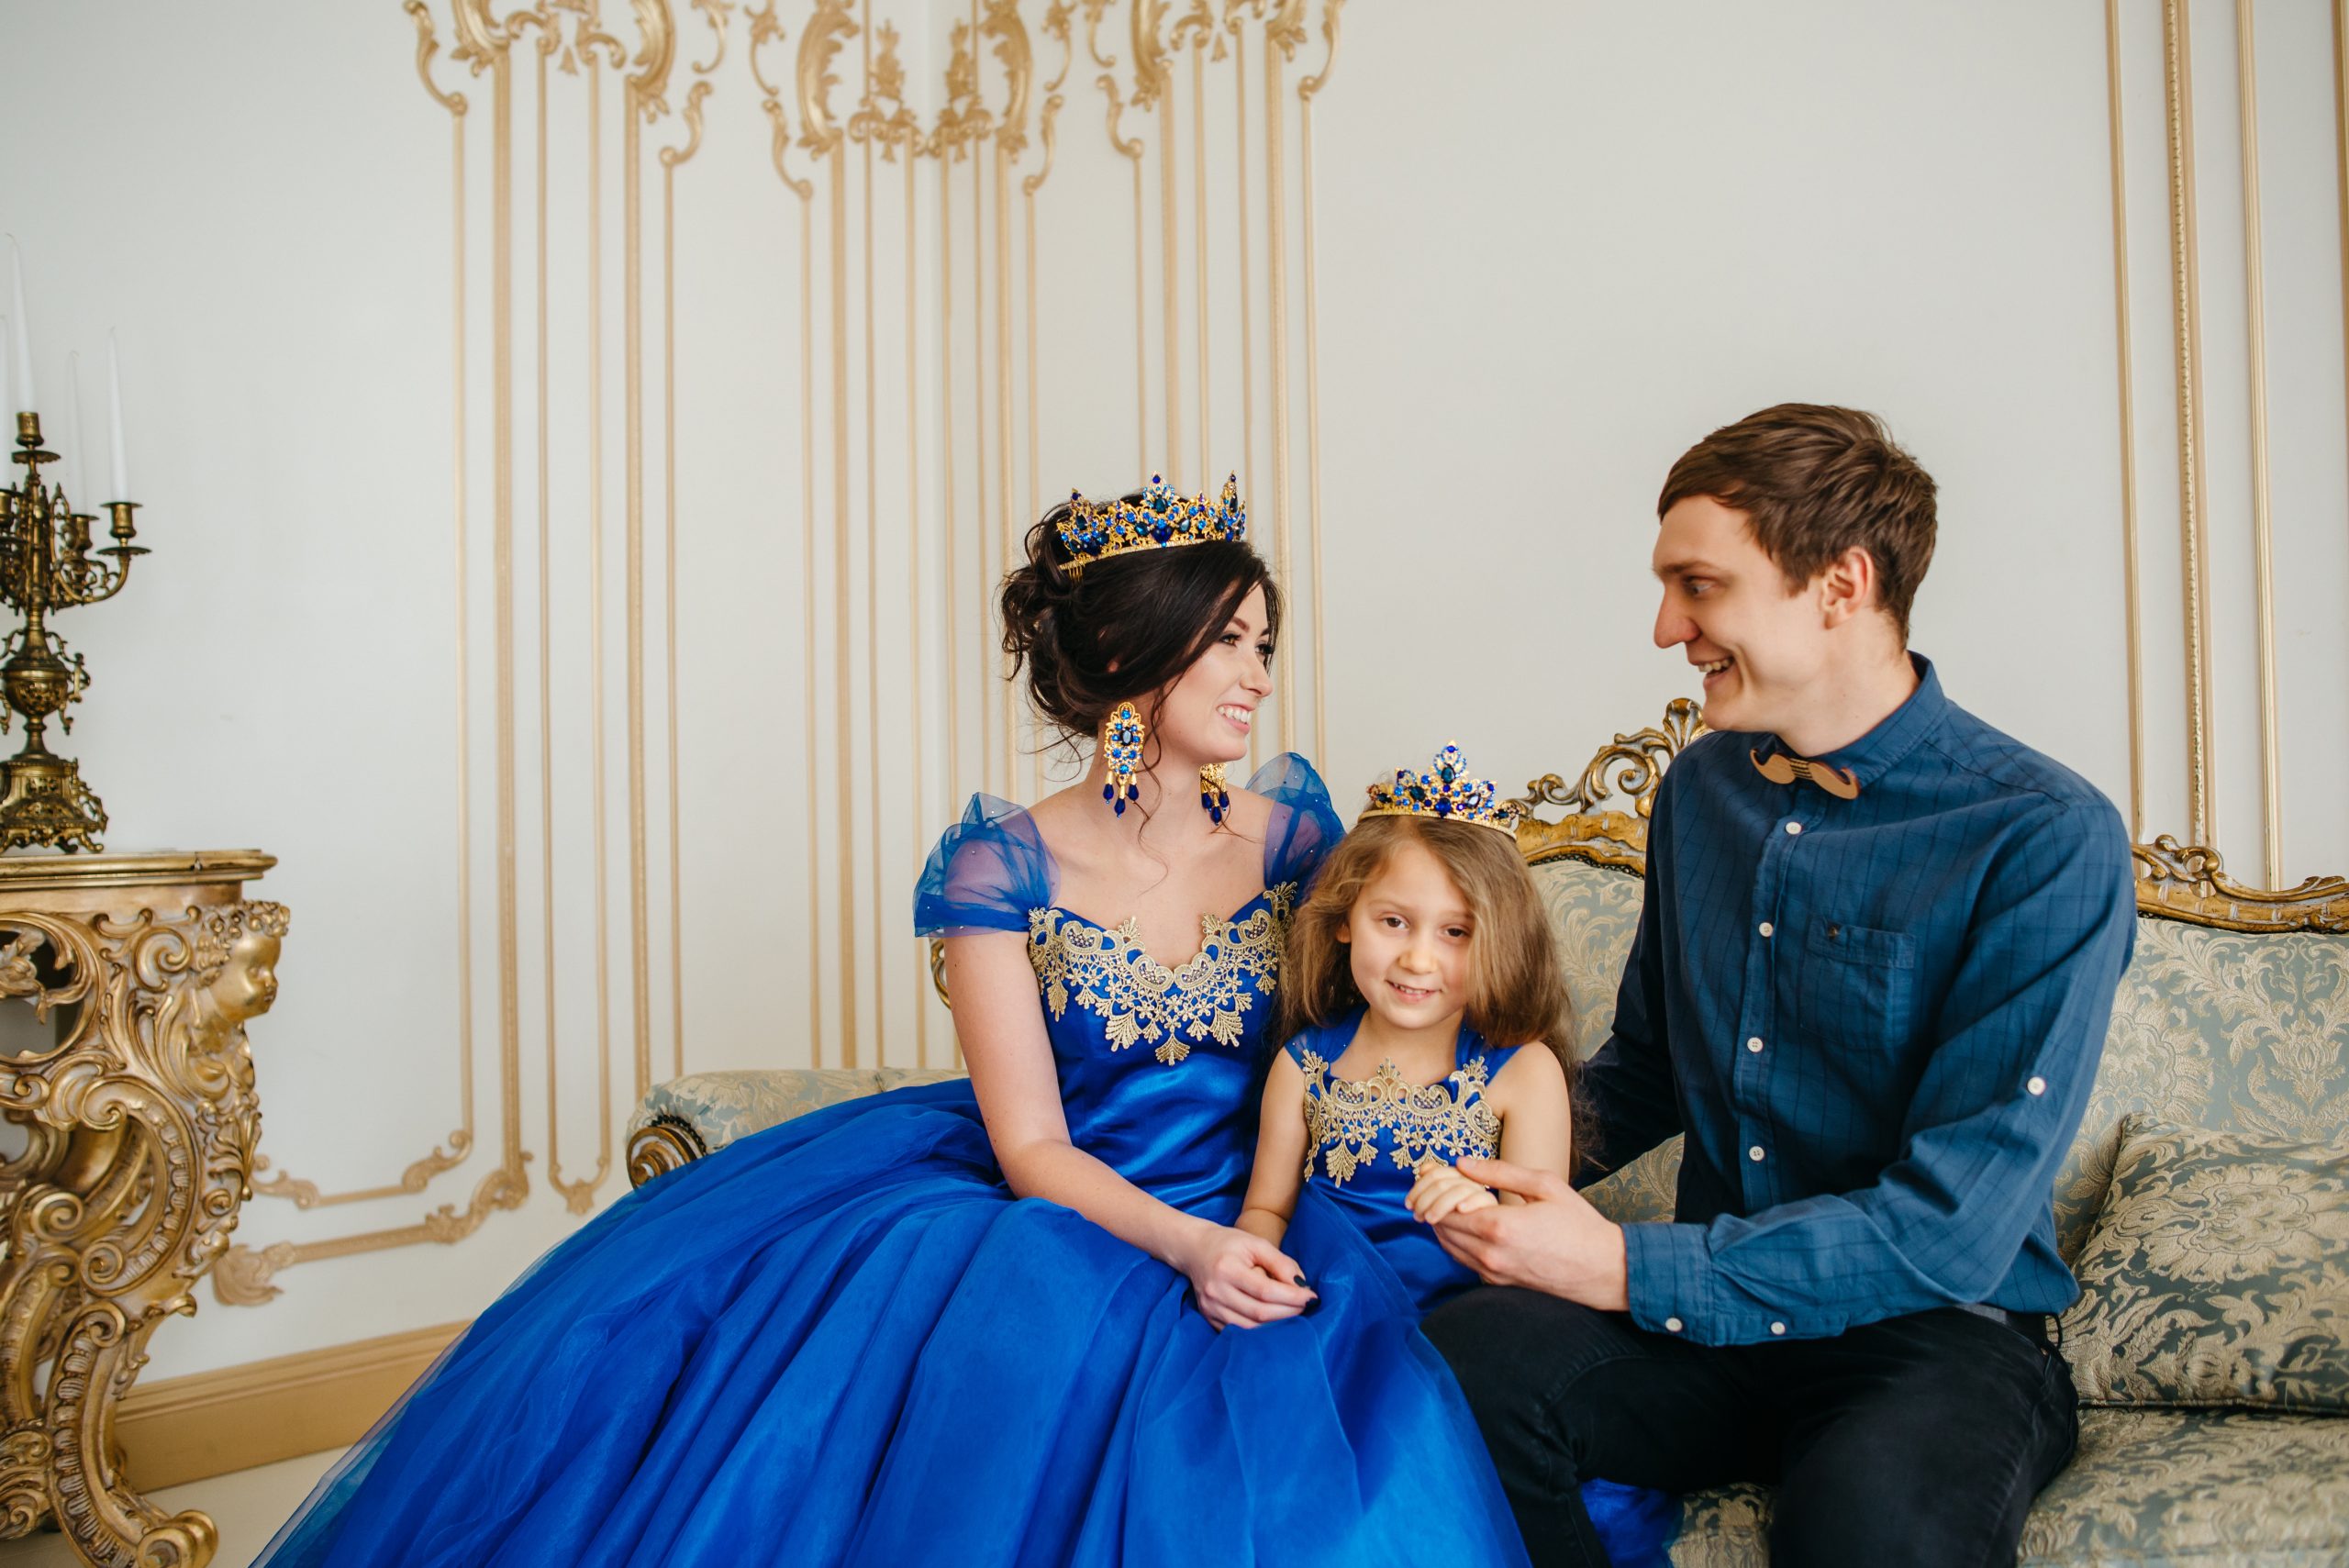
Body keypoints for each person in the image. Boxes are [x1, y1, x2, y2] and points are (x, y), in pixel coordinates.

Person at [256, 475, 1531, 1568]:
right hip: (1073, 1206)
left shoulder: (1301, 841)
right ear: (1138, 658)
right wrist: (1190, 1252)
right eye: (1232, 641)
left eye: (1264, 642)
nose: (1260, 674)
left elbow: (1377, 1032)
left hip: (1262, 1189)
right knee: (994, 1366)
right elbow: (1031, 1148)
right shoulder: (1001, 871)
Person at [1419, 406, 2139, 1568]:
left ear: (1840, 583)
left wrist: (1614, 1261)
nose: (1666, 628)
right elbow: (1646, 1070)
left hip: (1931, 1336)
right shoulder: (1700, 790)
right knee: (1446, 1366)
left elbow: (1952, 1223)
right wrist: (1457, 1155)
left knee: (1875, 1533)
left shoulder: (2042, 836)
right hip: (1703, 1327)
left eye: (1697, 585)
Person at [1233, 745, 1675, 1568]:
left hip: (1471, 1338)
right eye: (1392, 921)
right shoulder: (1303, 1066)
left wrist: (1483, 1213)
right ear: (1342, 918)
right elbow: (1269, 1206)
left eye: (1456, 932)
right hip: (1325, 1327)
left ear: (1497, 940)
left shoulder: (1522, 1068)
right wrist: (1253, 1261)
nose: (1418, 958)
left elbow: (1541, 1244)